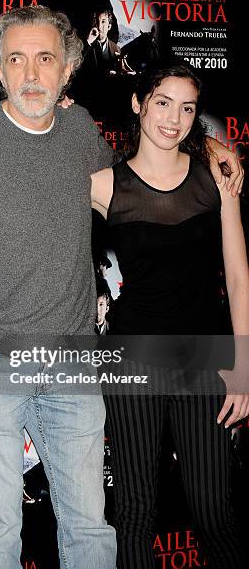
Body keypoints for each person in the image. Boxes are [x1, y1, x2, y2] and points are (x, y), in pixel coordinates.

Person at [0, 6, 244, 569]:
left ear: (69, 73)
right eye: (16, 60)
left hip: (73, 357)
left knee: (90, 524)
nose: (31, 74)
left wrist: (213, 148)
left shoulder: (81, 131)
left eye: (46, 59)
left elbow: (150, 164)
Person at [91, 63, 249, 568]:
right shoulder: (102, 184)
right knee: (135, 511)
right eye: (162, 102)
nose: (173, 117)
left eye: (187, 107)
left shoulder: (217, 179)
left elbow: (239, 275)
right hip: (132, 355)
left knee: (213, 511)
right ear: (138, 104)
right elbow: (32, 187)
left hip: (203, 358)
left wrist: (243, 366)